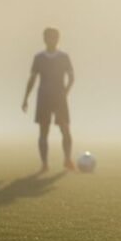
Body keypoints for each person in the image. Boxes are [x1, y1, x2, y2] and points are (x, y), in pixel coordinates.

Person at [22, 27, 75, 172]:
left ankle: (68, 159)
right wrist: (25, 98)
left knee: (65, 128)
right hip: (43, 97)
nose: (51, 40)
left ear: (58, 38)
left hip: (59, 97)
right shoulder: (39, 58)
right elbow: (33, 78)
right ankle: (44, 164)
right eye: (48, 37)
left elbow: (71, 78)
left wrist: (66, 91)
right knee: (43, 131)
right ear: (44, 39)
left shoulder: (64, 57)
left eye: (54, 37)